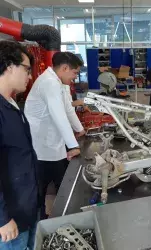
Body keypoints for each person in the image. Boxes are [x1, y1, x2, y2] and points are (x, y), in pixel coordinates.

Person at [25, 52, 85, 219]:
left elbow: (67, 109)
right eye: (74, 72)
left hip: (52, 142)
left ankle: (61, 217)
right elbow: (59, 115)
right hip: (42, 146)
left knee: (62, 182)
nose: (75, 77)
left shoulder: (59, 83)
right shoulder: (49, 83)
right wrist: (73, 145)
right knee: (42, 188)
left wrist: (80, 130)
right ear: (65, 68)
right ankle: (41, 221)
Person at [0, 41, 39, 249]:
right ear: (9, 66)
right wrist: (2, 219)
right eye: (26, 69)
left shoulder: (12, 103)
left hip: (27, 205)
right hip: (10, 218)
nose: (30, 75)